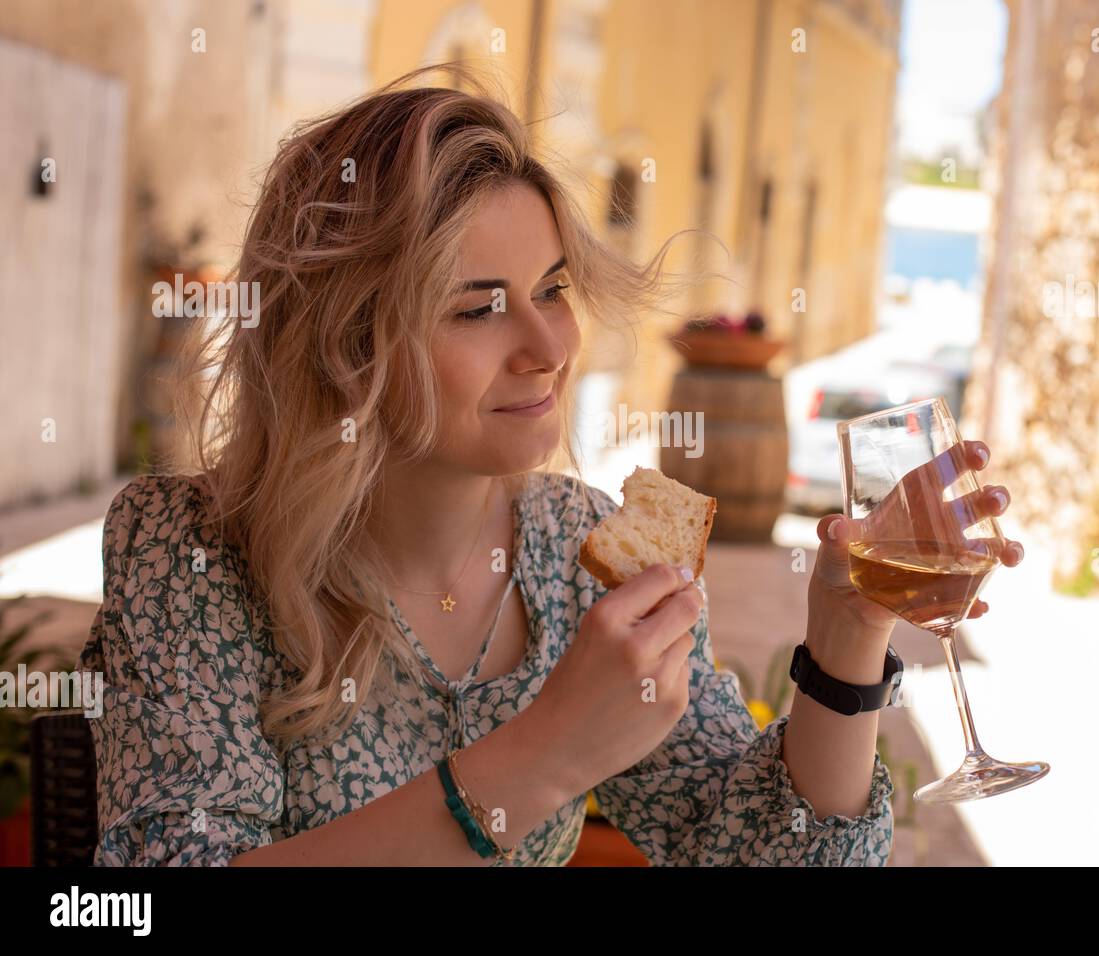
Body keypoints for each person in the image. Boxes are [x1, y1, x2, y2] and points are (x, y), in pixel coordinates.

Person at [78, 63, 1021, 866]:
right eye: (477, 307)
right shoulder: (187, 549)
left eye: (552, 290)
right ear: (347, 345)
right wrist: (544, 755)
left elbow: (751, 846)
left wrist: (846, 638)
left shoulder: (583, 547)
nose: (547, 346)